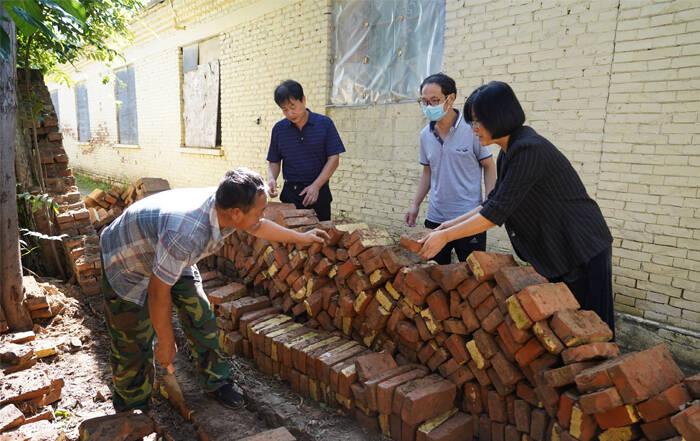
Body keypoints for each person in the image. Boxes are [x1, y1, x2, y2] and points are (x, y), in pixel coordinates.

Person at [99, 168, 329, 411]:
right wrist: (165, 341)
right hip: (128, 259)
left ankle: (216, 381)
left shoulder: (227, 205)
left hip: (167, 250)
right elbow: (158, 293)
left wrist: (301, 237)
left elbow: (258, 226)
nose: (263, 214)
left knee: (201, 316)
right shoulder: (187, 233)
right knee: (133, 343)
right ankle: (132, 410)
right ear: (237, 213)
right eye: (260, 210)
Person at [418, 81, 615, 333]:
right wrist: (446, 225)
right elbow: (492, 202)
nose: (474, 129)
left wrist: (445, 236)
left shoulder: (528, 150)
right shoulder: (509, 152)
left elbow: (494, 213)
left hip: (581, 246)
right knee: (568, 328)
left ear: (499, 117)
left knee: (593, 328)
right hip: (558, 249)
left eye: (477, 121)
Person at [405, 73, 496, 264]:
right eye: (424, 101)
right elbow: (428, 172)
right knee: (436, 275)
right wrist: (415, 204)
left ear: (451, 98)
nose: (429, 107)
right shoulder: (425, 135)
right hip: (436, 218)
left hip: (469, 219)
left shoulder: (473, 129)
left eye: (435, 100)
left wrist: (490, 200)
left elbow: (488, 165)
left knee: (471, 276)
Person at [267, 80, 345, 221]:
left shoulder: (324, 124)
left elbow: (334, 158)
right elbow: (274, 160)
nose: (290, 113)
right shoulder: (279, 129)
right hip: (290, 193)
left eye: (293, 106)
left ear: (303, 100)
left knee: (321, 237)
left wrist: (316, 186)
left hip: (319, 192)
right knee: (291, 239)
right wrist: (272, 178)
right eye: (285, 109)